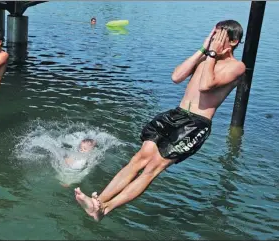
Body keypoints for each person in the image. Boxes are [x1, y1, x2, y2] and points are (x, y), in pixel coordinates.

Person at [74, 20, 246, 221]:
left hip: (195, 124)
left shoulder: (237, 66)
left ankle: (106, 209)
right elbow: (176, 76)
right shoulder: (205, 57)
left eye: (219, 37)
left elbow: (206, 85)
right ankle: (98, 203)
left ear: (233, 42)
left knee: (152, 167)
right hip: (176, 114)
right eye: (213, 36)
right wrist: (203, 49)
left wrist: (213, 54)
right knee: (138, 159)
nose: (214, 40)